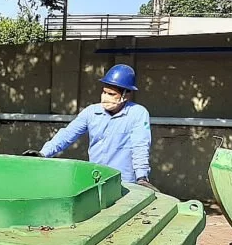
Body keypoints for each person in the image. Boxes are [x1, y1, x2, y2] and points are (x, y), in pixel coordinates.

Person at [23, 64, 156, 190]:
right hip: (95, 179)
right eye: (104, 92)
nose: (106, 97)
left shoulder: (137, 114)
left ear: (126, 95)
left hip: (124, 184)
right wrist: (43, 153)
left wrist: (141, 177)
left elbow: (140, 146)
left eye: (111, 94)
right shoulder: (91, 112)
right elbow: (67, 134)